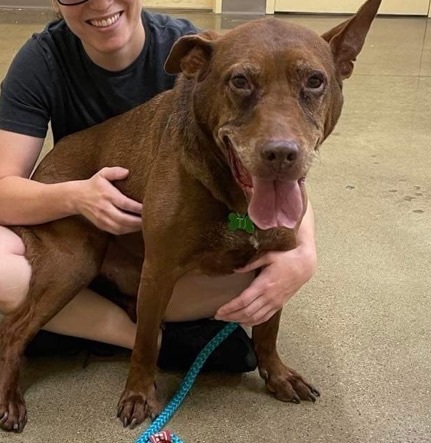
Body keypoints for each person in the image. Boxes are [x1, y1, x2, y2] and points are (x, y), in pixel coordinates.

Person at [0, 0, 317, 372]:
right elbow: (5, 189)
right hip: (80, 229)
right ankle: (152, 338)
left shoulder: (199, 50)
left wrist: (303, 252)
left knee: (253, 265)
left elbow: (279, 173)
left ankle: (73, 319)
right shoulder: (43, 59)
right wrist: (79, 196)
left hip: (164, 246)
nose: (101, 3)